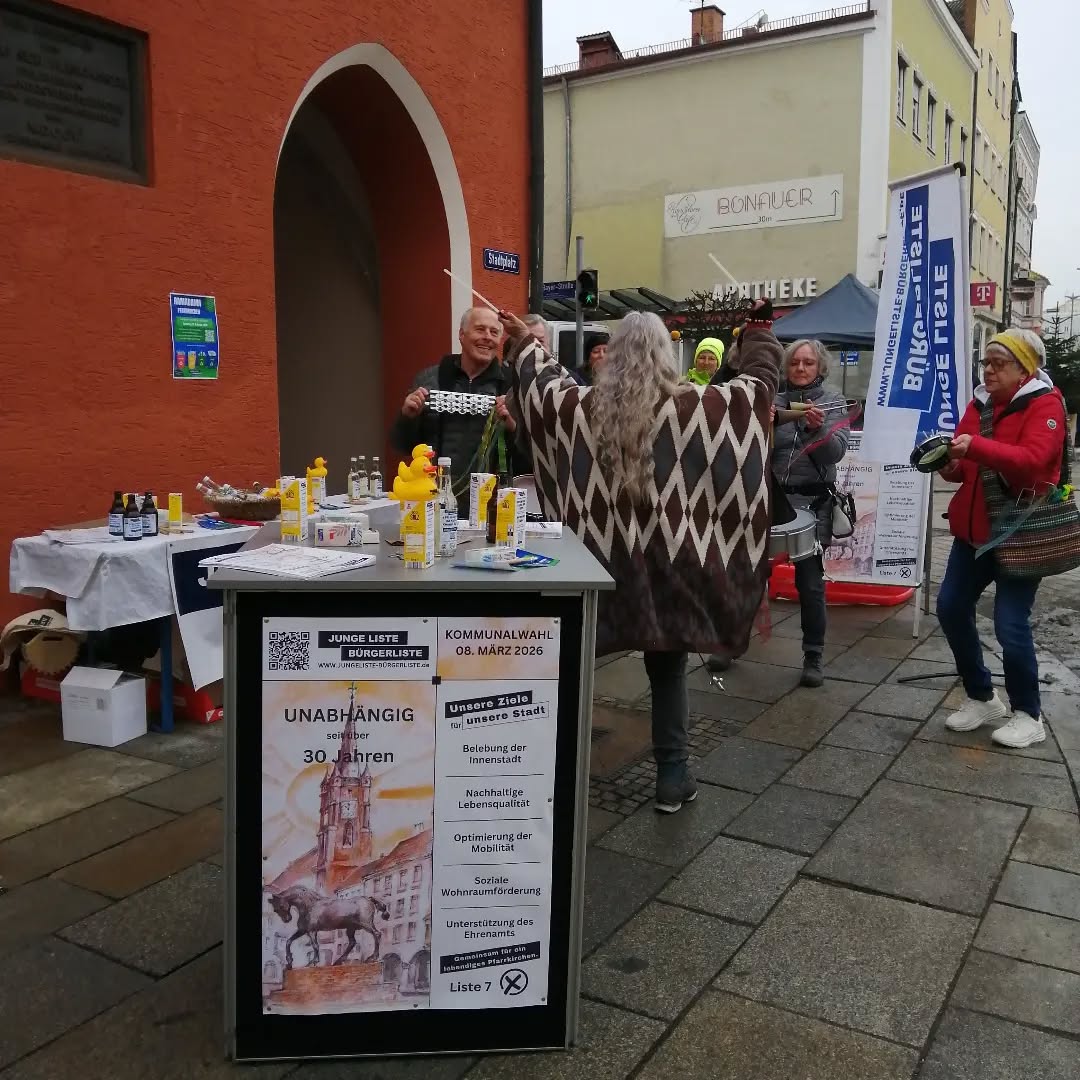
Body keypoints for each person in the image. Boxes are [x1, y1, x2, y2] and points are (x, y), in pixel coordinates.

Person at [502, 303, 781, 813]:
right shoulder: (700, 407)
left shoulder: (581, 408)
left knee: (575, 662)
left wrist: (525, 342)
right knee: (668, 668)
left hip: (599, 561)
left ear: (615, 357)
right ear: (664, 353)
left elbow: (545, 389)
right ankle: (672, 775)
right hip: (670, 563)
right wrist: (759, 333)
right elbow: (757, 388)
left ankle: (551, 772)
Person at [937, 329, 1067, 748]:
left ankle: (1028, 714)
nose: (989, 369)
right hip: (973, 531)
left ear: (1025, 368)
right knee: (951, 609)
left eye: (999, 362)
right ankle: (981, 696)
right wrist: (947, 465)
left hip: (1020, 532)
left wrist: (974, 446)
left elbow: (1033, 462)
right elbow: (964, 464)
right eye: (986, 362)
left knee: (1011, 626)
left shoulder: (1047, 405)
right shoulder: (979, 404)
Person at [709, 339, 850, 687]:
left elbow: (834, 454)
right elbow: (744, 444)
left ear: (821, 368)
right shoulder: (773, 397)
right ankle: (729, 642)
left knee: (810, 583)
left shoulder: (832, 401)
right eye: (794, 363)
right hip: (769, 500)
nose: (800, 369)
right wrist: (761, 423)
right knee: (749, 576)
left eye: (808, 363)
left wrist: (814, 427)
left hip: (812, 504)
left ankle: (813, 655)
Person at [391, 307, 518, 514]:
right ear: (461, 334)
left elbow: (525, 458)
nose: (487, 337)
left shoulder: (512, 386)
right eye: (480, 329)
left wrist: (513, 427)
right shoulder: (429, 379)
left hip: (491, 507)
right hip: (433, 502)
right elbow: (403, 446)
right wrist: (407, 417)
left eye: (494, 332)